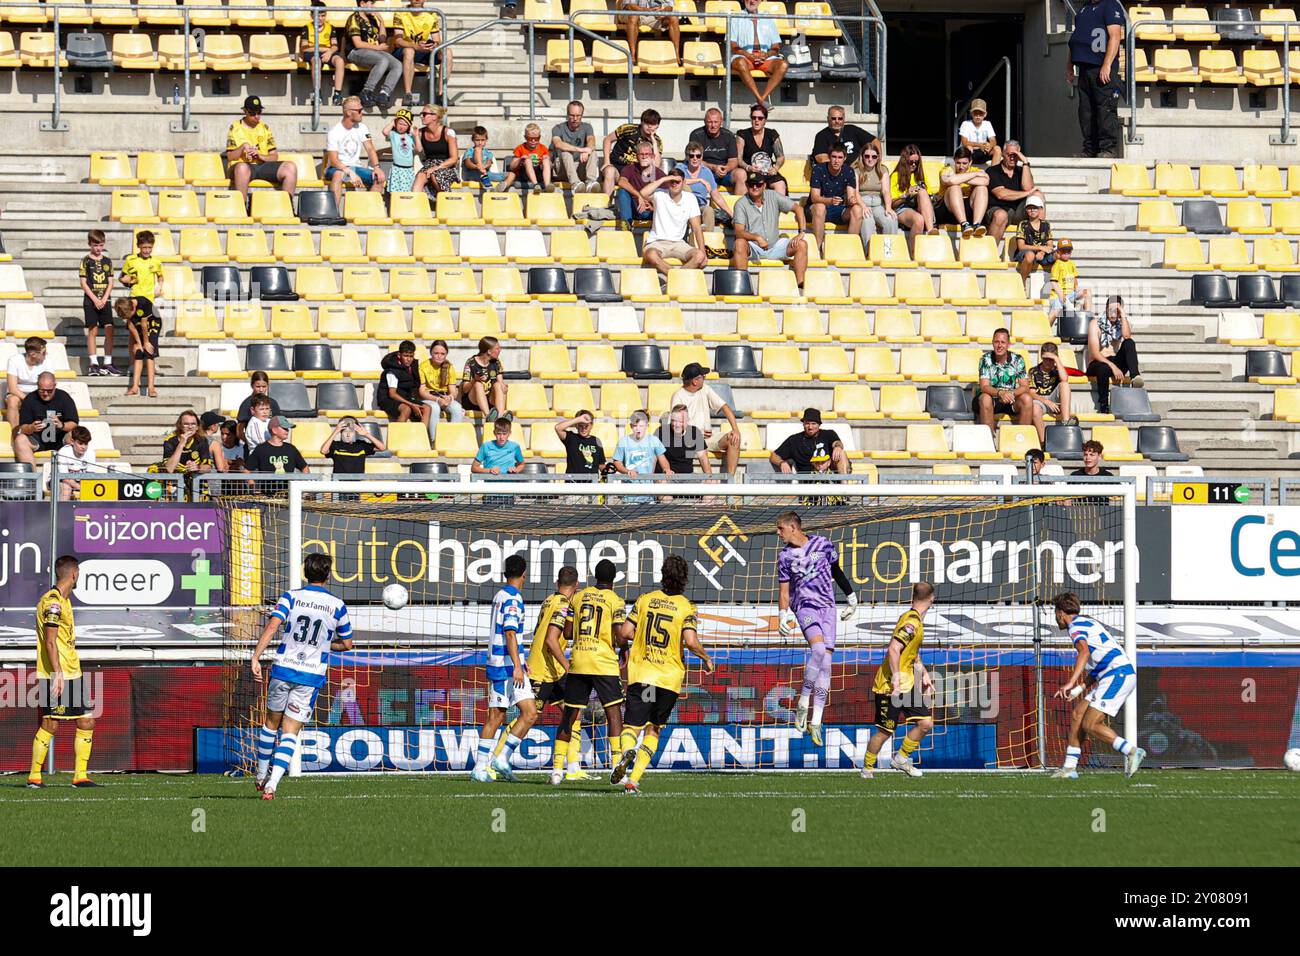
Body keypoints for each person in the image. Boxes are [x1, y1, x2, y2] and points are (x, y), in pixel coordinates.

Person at [250, 552, 354, 798]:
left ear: (305, 573)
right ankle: (272, 785)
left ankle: (260, 774)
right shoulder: (337, 606)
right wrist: (325, 645)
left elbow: (273, 626)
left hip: (283, 668)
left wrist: (255, 657)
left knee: (270, 724)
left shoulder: (290, 597)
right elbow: (347, 644)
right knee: (290, 731)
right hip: (310, 675)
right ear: (328, 575)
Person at [610, 555, 712, 794]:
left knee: (632, 727)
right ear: (684, 579)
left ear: (662, 575)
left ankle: (626, 753)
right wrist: (706, 658)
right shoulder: (687, 606)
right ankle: (633, 781)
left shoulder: (646, 600)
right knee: (654, 729)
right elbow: (690, 641)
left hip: (644, 677)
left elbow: (624, 632)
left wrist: (643, 638)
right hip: (668, 680)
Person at [776, 510, 859, 748]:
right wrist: (782, 614)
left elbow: (836, 571)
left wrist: (851, 597)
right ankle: (802, 703)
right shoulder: (784, 557)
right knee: (819, 651)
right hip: (805, 607)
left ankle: (816, 721)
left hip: (828, 608)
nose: (777, 532)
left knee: (827, 666)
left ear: (793, 527)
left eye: (780, 528)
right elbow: (784, 591)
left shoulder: (823, 544)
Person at [1050, 591, 1144, 778]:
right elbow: (1099, 665)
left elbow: (1083, 653)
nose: (1056, 619)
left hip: (1117, 674)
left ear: (1060, 612)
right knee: (1078, 714)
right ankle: (1069, 768)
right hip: (1112, 674)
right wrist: (1079, 689)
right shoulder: (1088, 622)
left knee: (1090, 724)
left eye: (1055, 614)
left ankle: (1132, 751)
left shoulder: (1074, 627)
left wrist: (1069, 683)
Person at [28, 555, 98, 788]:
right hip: (57, 673)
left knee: (87, 721)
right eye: (78, 574)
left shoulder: (65, 601)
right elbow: (50, 641)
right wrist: (57, 672)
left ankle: (80, 776)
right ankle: (34, 777)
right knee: (51, 723)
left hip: (73, 671)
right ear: (74, 574)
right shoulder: (54, 602)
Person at [469, 554, 538, 782]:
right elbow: (510, 632)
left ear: (505, 573)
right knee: (496, 717)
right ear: (524, 575)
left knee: (530, 713)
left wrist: (520, 660)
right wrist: (517, 665)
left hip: (512, 664)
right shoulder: (512, 598)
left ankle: (502, 758)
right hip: (505, 667)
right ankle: (479, 768)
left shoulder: (500, 595)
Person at [859, 582, 935, 779]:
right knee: (885, 732)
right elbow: (893, 649)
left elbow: (912, 655)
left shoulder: (915, 621)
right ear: (932, 599)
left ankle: (900, 759)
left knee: (925, 723)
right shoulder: (911, 622)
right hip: (889, 685)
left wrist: (924, 674)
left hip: (907, 684)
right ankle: (867, 769)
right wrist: (896, 680)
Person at [562, 559, 628, 774]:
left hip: (580, 659)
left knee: (570, 714)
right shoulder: (615, 600)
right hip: (603, 662)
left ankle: (558, 769)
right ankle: (617, 763)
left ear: (594, 576)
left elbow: (568, 633)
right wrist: (624, 648)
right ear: (613, 579)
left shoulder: (579, 597)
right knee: (614, 712)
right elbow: (620, 635)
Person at [523, 565, 581, 785]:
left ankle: (572, 767)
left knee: (572, 712)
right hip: (545, 668)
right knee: (527, 718)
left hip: (551, 669)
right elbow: (550, 639)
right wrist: (568, 665)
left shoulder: (548, 600)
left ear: (557, 583)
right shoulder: (565, 605)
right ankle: (498, 758)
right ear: (576, 586)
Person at [1067, 0, 1125, 159]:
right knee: (1086, 111)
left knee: (1104, 109)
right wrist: (1069, 67)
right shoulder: (1083, 9)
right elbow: (1076, 41)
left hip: (1102, 68)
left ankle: (1108, 148)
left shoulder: (1111, 5)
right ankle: (1089, 149)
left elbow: (1115, 37)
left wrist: (1106, 65)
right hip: (1084, 68)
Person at [731, 178, 808, 287]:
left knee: (802, 244)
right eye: (751, 184)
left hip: (775, 245)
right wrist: (757, 237)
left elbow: (798, 208)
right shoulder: (740, 203)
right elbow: (738, 232)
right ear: (747, 186)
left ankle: (800, 285)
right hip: (753, 247)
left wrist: (801, 232)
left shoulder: (773, 196)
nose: (755, 187)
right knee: (739, 243)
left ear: (764, 185)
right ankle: (742, 285)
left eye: (758, 184)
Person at [669, 361, 742, 475]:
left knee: (734, 439)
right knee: (700, 447)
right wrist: (697, 433)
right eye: (702, 376)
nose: (705, 377)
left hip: (708, 438)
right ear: (695, 381)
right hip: (689, 441)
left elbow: (725, 407)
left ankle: (730, 483)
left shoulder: (705, 388)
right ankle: (710, 483)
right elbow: (676, 426)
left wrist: (735, 429)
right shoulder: (678, 396)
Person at [225, 95, 297, 203]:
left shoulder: (265, 128)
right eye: (253, 113)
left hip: (262, 165)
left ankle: (287, 207)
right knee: (242, 169)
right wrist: (242, 148)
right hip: (243, 166)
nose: (257, 116)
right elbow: (230, 156)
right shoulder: (235, 128)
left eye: (259, 112)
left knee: (290, 167)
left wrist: (260, 155)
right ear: (245, 111)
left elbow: (274, 156)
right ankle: (242, 207)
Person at [121, 230, 163, 398]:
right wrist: (129, 280)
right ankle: (134, 383)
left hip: (148, 305)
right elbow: (122, 278)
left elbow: (160, 278)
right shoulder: (131, 260)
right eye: (144, 247)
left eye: (149, 248)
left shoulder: (156, 262)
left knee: (148, 350)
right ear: (138, 246)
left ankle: (151, 387)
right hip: (135, 297)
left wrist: (159, 287)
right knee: (136, 344)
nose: (146, 251)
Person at [325, 96, 385, 213]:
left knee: (379, 178)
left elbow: (370, 149)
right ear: (348, 113)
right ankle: (333, 214)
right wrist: (349, 172)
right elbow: (334, 161)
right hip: (336, 168)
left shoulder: (362, 128)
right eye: (359, 110)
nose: (362, 113)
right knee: (338, 175)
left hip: (355, 168)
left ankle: (368, 213)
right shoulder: (334, 132)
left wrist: (377, 168)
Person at [639, 173, 706, 276]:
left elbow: (697, 228)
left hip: (678, 243)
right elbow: (643, 193)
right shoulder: (660, 194)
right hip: (657, 242)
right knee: (651, 254)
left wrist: (703, 252)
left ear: (684, 182)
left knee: (699, 256)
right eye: (671, 181)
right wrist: (663, 179)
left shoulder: (690, 198)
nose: (674, 184)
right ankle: (677, 278)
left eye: (677, 182)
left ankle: (675, 278)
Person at [1086, 295, 1142, 415]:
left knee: (1129, 343)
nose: (1112, 314)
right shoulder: (1095, 324)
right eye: (1110, 310)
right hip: (1097, 362)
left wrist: (1122, 314)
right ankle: (1103, 406)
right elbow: (1095, 353)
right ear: (1105, 309)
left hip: (1114, 360)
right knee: (1103, 368)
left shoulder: (1122, 323)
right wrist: (1113, 366)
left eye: (1115, 311)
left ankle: (1135, 376)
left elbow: (1127, 336)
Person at [727, 0, 787, 107]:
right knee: (740, 62)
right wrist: (749, 55)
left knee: (783, 65)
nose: (752, 1)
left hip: (765, 58)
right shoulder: (736, 17)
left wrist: (766, 55)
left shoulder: (768, 18)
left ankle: (762, 98)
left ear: (760, 1)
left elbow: (776, 46)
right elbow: (732, 45)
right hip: (744, 57)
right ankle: (760, 99)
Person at [975, 327, 1033, 436]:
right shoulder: (985, 359)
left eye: (1003, 342)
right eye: (996, 342)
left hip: (1010, 398)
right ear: (992, 343)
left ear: (1008, 344)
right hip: (991, 397)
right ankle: (989, 441)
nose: (999, 345)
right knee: (985, 398)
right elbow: (984, 387)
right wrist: (1000, 393)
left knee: (1027, 398)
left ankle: (1022, 439)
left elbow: (1024, 386)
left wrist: (1010, 394)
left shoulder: (1018, 359)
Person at [344, 0, 400, 110]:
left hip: (374, 52)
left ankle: (384, 94)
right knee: (382, 60)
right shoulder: (354, 18)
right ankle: (367, 91)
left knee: (397, 64)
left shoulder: (372, 19)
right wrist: (378, 48)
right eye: (371, 3)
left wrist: (382, 22)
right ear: (362, 4)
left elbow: (382, 39)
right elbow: (358, 44)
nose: (374, 6)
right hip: (355, 52)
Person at [985, 140, 1044, 242]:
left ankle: (1039, 241)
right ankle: (989, 252)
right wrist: (1027, 193)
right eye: (1009, 155)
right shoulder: (993, 170)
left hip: (1017, 211)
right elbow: (1001, 194)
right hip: (997, 208)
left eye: (1015, 155)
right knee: (1001, 215)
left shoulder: (1022, 171)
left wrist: (1025, 162)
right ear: (1003, 154)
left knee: (1037, 196)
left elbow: (1028, 188)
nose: (1012, 158)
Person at [393, 0, 450, 106]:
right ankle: (408, 95)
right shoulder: (400, 13)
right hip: (405, 49)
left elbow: (438, 40)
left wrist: (434, 45)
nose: (417, 0)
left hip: (422, 49)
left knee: (447, 52)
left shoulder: (432, 14)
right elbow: (398, 41)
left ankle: (441, 94)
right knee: (409, 51)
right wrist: (415, 46)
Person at [808, 142, 863, 251]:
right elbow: (814, 198)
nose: (836, 160)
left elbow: (851, 195)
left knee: (857, 209)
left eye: (840, 157)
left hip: (839, 209)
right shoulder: (818, 169)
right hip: (816, 208)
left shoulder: (849, 171)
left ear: (845, 158)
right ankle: (817, 249)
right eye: (833, 157)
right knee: (820, 207)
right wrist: (830, 201)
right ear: (829, 157)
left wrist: (852, 200)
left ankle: (849, 249)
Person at [14, 373, 79, 465]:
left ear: (55, 386)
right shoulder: (30, 399)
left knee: (78, 436)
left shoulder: (64, 397)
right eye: (42, 390)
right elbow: (23, 427)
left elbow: (74, 423)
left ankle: (73, 474)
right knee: (20, 440)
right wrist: (31, 428)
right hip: (37, 439)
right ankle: (32, 477)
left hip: (61, 439)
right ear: (37, 386)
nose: (45, 394)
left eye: (49, 391)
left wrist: (62, 425)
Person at [598, 109, 663, 201]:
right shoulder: (628, 129)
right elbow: (607, 140)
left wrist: (654, 143)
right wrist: (606, 161)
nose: (650, 126)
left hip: (635, 174)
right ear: (642, 122)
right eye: (647, 123)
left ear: (657, 126)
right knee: (609, 171)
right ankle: (606, 205)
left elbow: (656, 166)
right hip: (617, 167)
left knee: (652, 179)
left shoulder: (657, 141)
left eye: (653, 124)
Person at [79, 229, 119, 376]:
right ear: (89, 244)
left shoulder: (107, 261)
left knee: (109, 329)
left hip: (105, 301)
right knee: (93, 330)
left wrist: (103, 299)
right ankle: (93, 363)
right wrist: (95, 299)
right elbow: (83, 283)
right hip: (91, 301)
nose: (98, 248)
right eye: (95, 245)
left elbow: (110, 282)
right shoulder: (85, 260)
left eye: (101, 245)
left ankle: (107, 363)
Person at [769, 407, 848, 475]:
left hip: (830, 476)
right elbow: (774, 456)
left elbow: (837, 442)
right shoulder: (794, 440)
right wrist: (782, 463)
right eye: (807, 423)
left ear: (819, 424)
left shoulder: (828, 434)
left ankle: (845, 490)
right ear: (803, 424)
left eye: (813, 424)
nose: (810, 427)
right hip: (808, 480)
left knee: (841, 453)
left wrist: (837, 447)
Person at [614, 410, 672, 500]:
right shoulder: (623, 441)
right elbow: (617, 462)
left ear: (647, 426)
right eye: (635, 426)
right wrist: (627, 471)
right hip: (629, 494)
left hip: (649, 493)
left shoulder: (654, 440)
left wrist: (666, 469)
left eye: (641, 426)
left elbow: (662, 459)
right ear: (630, 426)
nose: (638, 429)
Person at [417, 338, 465, 443]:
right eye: (436, 353)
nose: (439, 356)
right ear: (431, 353)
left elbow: (453, 390)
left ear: (446, 354)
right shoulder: (423, 366)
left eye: (442, 353)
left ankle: (453, 440)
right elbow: (422, 391)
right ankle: (435, 440)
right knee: (434, 407)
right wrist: (438, 400)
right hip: (429, 397)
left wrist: (450, 397)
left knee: (457, 408)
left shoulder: (449, 367)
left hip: (444, 396)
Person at [1029, 341, 1077, 444]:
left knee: (1064, 384)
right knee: (1035, 408)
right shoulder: (1034, 371)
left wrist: (1057, 360)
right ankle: (1043, 442)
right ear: (1041, 357)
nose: (1048, 362)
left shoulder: (1057, 370)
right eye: (1045, 359)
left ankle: (1065, 421)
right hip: (1040, 400)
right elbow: (1031, 393)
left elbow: (1065, 378)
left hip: (1054, 400)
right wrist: (1046, 401)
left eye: (1051, 360)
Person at [888, 143, 937, 244]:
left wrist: (921, 192)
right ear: (905, 161)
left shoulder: (920, 176)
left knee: (922, 192)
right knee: (919, 220)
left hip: (919, 207)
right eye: (911, 162)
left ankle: (931, 230)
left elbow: (931, 197)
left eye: (916, 162)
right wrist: (907, 194)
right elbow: (892, 204)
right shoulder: (895, 176)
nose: (914, 165)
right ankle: (913, 254)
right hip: (902, 208)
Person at [937, 146, 989, 239]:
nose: (961, 167)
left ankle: (976, 224)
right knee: (955, 187)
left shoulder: (975, 170)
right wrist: (974, 175)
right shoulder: (947, 170)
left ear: (970, 162)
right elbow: (950, 181)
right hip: (947, 210)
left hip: (967, 208)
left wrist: (959, 178)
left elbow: (985, 181)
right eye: (958, 163)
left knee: (982, 188)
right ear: (954, 161)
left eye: (964, 163)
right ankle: (964, 224)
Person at [301, 2, 346, 106]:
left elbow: (335, 46)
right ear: (311, 15)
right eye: (318, 15)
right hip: (312, 51)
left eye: (323, 15)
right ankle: (317, 93)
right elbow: (304, 48)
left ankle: (337, 94)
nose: (320, 18)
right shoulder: (306, 28)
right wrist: (323, 49)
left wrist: (329, 52)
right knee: (316, 61)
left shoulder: (330, 27)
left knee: (339, 61)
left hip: (327, 52)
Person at [735, 104, 787, 194]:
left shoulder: (772, 134)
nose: (756, 121)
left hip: (768, 171)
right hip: (750, 171)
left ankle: (779, 208)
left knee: (780, 184)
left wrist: (776, 168)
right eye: (754, 118)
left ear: (765, 120)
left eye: (760, 118)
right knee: (748, 181)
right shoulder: (742, 135)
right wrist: (748, 167)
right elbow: (738, 158)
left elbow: (780, 157)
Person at [676, 142, 729, 230]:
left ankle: (706, 241)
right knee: (685, 188)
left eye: (698, 156)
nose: (695, 159)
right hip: (682, 207)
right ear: (687, 157)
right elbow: (677, 180)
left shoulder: (706, 172)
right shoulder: (680, 168)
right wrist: (699, 180)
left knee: (709, 210)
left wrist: (731, 214)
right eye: (691, 156)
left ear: (702, 156)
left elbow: (716, 196)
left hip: (699, 207)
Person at [851, 142, 898, 240]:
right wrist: (863, 207)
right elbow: (856, 192)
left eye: (874, 156)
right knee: (868, 222)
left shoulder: (883, 170)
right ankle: (869, 252)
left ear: (878, 158)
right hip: (863, 202)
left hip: (878, 204)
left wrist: (888, 208)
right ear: (862, 157)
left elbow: (886, 191)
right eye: (867, 156)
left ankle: (888, 250)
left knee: (891, 220)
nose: (870, 159)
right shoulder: (856, 170)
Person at [688, 108, 742, 193]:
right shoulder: (696, 135)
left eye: (716, 122)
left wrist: (726, 169)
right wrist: (713, 167)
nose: (713, 125)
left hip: (724, 172)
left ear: (721, 122)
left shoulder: (729, 136)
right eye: (710, 122)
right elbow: (693, 159)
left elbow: (733, 160)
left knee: (741, 174)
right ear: (705, 122)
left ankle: (740, 205)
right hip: (703, 171)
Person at [615, 0, 682, 68]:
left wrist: (664, 11)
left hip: (654, 15)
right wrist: (643, 9)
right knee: (633, 16)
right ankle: (632, 55)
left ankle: (676, 56)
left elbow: (670, 6)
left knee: (674, 18)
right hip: (633, 12)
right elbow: (627, 6)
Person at [551, 101, 599, 192]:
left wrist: (587, 150)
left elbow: (591, 141)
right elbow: (558, 144)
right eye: (572, 115)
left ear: (582, 115)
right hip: (563, 169)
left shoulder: (587, 127)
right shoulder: (558, 128)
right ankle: (575, 184)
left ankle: (590, 182)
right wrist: (581, 150)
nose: (575, 118)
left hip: (579, 167)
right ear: (567, 114)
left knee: (592, 152)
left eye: (578, 115)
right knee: (565, 152)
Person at [5, 336, 52, 428]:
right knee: (12, 400)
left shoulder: (47, 361)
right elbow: (13, 388)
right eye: (43, 353)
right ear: (33, 354)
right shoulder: (14, 360)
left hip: (39, 394)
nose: (46, 354)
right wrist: (30, 400)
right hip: (19, 395)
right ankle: (16, 434)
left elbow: (49, 384)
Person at [615, 140, 665, 226]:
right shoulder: (630, 168)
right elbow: (621, 181)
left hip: (651, 211)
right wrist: (639, 196)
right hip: (634, 208)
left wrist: (654, 207)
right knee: (622, 191)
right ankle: (626, 226)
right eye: (641, 154)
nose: (644, 157)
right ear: (637, 157)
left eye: (647, 154)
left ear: (652, 156)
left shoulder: (659, 174)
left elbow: (667, 197)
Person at [412, 104, 458, 195]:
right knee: (420, 176)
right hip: (428, 164)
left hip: (446, 166)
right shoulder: (420, 132)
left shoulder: (448, 132)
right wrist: (416, 136)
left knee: (435, 174)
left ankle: (446, 200)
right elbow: (418, 150)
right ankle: (416, 205)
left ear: (434, 116)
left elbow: (454, 158)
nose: (421, 116)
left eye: (424, 114)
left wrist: (436, 167)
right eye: (421, 114)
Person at [378, 340, 428, 424]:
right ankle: (396, 436)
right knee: (406, 409)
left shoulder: (412, 367)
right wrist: (412, 404)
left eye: (411, 356)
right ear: (399, 355)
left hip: (404, 398)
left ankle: (422, 435)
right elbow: (392, 394)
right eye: (405, 356)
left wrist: (414, 401)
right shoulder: (392, 370)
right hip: (388, 399)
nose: (408, 359)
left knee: (427, 408)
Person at [811, 105, 878, 165]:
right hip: (834, 173)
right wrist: (844, 168)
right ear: (828, 119)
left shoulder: (852, 130)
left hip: (858, 169)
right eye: (833, 118)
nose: (837, 121)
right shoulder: (821, 136)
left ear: (844, 119)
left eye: (840, 118)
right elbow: (820, 158)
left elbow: (875, 141)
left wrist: (878, 160)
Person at [461, 335, 507, 422]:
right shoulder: (471, 362)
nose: (500, 350)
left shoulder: (496, 362)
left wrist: (503, 387)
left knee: (497, 384)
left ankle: (500, 419)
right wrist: (474, 380)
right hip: (473, 401)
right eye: (497, 348)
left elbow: (501, 383)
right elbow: (465, 389)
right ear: (489, 351)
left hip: (490, 400)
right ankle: (488, 416)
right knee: (478, 384)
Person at [161, 410, 216, 481]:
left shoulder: (202, 440)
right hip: (175, 483)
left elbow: (208, 467)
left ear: (197, 427)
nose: (190, 427)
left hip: (195, 481)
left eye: (193, 424)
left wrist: (197, 467)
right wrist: (181, 444)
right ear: (180, 426)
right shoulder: (170, 440)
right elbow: (169, 469)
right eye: (186, 424)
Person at [657, 404, 711, 475]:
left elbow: (703, 458)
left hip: (688, 476)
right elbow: (656, 456)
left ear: (687, 420)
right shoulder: (661, 431)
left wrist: (710, 477)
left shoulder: (694, 432)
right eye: (674, 421)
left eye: (681, 421)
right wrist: (665, 471)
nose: (677, 425)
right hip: (667, 476)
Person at [243, 416, 310, 474]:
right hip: (268, 489)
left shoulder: (291, 449)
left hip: (288, 489)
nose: (287, 430)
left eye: (287, 428)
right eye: (284, 428)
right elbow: (247, 470)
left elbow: (305, 468)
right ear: (274, 430)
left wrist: (302, 485)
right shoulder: (261, 449)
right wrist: (254, 488)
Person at [1048, 237, 1093, 321]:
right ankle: (1046, 329)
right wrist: (1062, 297)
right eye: (1063, 251)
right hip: (1058, 296)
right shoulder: (1057, 264)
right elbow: (1053, 283)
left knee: (1087, 292)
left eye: (1068, 251)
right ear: (1058, 252)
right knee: (1055, 311)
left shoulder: (1072, 263)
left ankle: (1087, 319)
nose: (1066, 254)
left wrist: (1076, 292)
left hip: (1070, 294)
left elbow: (1075, 280)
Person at [499, 123, 552, 193]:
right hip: (524, 175)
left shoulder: (543, 148)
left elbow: (550, 166)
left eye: (536, 139)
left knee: (546, 160)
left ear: (540, 137)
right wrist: (520, 160)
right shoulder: (520, 148)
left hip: (539, 174)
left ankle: (547, 186)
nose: (533, 141)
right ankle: (535, 185)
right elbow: (511, 167)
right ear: (525, 137)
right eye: (530, 139)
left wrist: (547, 160)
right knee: (527, 160)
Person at [1013, 194, 1054, 283]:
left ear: (1041, 209)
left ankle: (1057, 285)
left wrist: (1042, 252)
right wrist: (1040, 248)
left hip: (1042, 253)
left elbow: (1050, 244)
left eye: (1035, 208)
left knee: (1060, 255)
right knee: (1030, 256)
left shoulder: (1046, 224)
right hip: (1026, 252)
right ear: (1026, 210)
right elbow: (1021, 246)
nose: (1032, 210)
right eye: (1029, 208)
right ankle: (1022, 282)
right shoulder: (1023, 224)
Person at [555, 410, 607, 476]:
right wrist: (579, 419)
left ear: (591, 425)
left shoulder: (597, 441)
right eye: (580, 426)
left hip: (591, 482)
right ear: (576, 425)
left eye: (586, 426)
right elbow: (558, 428)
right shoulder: (571, 438)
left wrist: (607, 470)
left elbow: (601, 464)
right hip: (573, 481)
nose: (583, 429)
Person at [235, 371, 282, 444]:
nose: (261, 390)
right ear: (252, 385)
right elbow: (239, 431)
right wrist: (250, 443)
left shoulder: (273, 403)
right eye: (258, 386)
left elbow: (280, 425)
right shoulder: (246, 404)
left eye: (264, 386)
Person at [53, 426, 96, 500]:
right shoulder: (63, 452)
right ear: (72, 441)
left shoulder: (91, 453)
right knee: (66, 488)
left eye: (86, 444)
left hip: (78, 483)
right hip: (58, 480)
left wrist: (85, 488)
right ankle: (62, 511)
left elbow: (90, 477)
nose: (83, 447)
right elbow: (64, 478)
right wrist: (80, 487)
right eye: (80, 443)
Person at [381, 108, 418, 194]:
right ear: (396, 123)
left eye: (405, 125)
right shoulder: (393, 134)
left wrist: (415, 135)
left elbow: (418, 149)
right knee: (395, 193)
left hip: (408, 169)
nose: (402, 126)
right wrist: (392, 123)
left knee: (408, 192)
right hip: (397, 168)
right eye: (400, 123)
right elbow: (385, 132)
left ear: (409, 126)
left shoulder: (410, 136)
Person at [958, 98, 1001, 166]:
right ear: (971, 114)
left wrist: (989, 145)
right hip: (970, 152)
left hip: (983, 151)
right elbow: (964, 142)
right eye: (975, 113)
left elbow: (993, 140)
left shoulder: (987, 124)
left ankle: (994, 172)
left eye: (980, 113)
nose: (978, 116)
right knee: (968, 148)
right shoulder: (965, 124)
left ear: (985, 114)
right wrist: (980, 145)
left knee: (997, 149)